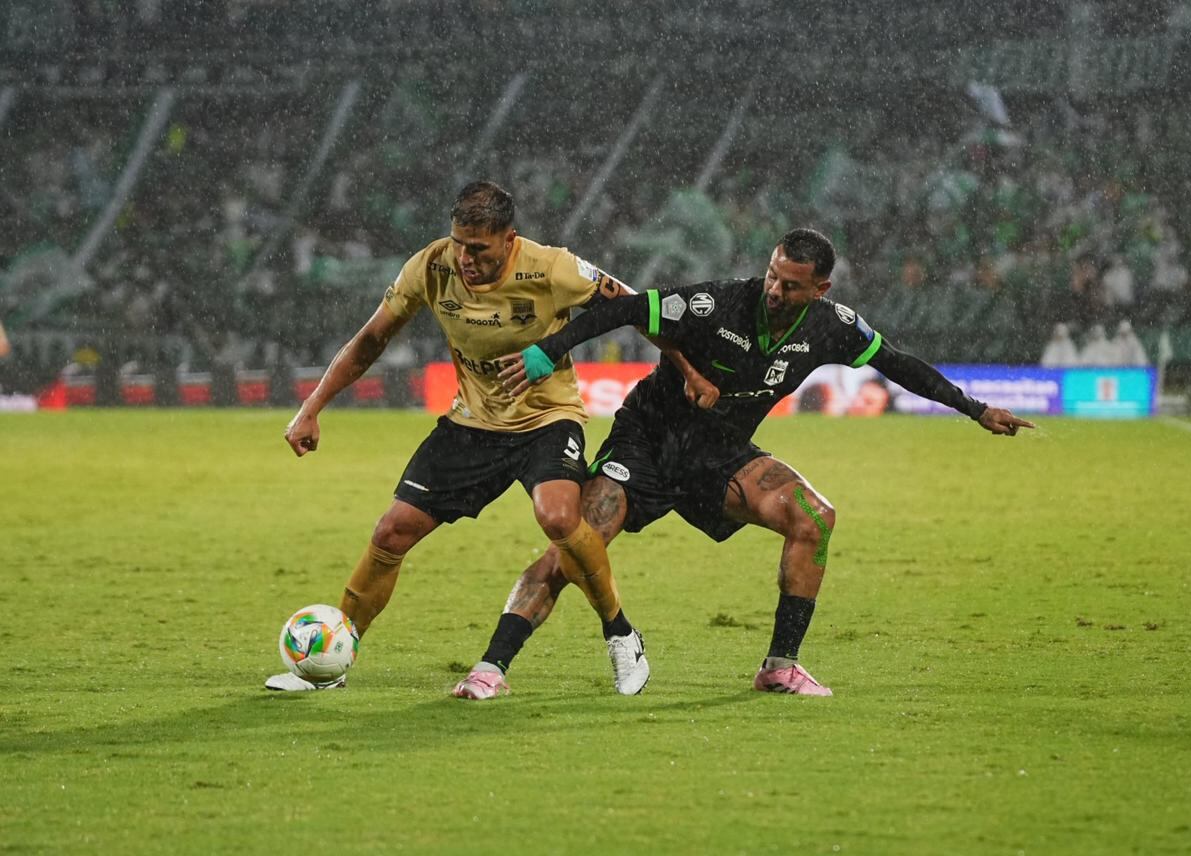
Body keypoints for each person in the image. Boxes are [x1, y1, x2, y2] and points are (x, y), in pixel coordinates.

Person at [454, 228, 1034, 698]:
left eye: (791, 284)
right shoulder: (716, 303)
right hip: (648, 445)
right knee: (578, 543)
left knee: (815, 517)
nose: (775, 290)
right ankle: (491, 668)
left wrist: (975, 408)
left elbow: (900, 364)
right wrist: (549, 349)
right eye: (773, 275)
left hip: (721, 458)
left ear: (821, 288)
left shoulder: (833, 327)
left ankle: (780, 665)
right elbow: (625, 309)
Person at [265, 181, 713, 693]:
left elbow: (638, 307)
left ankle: (619, 631)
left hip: (547, 418)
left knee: (560, 517)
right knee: (391, 532)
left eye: (478, 248)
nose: (464, 257)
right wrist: (312, 407)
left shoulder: (552, 268)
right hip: (473, 423)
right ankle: (333, 660)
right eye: (458, 242)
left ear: (508, 240)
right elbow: (371, 339)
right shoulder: (431, 266)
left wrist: (688, 372)